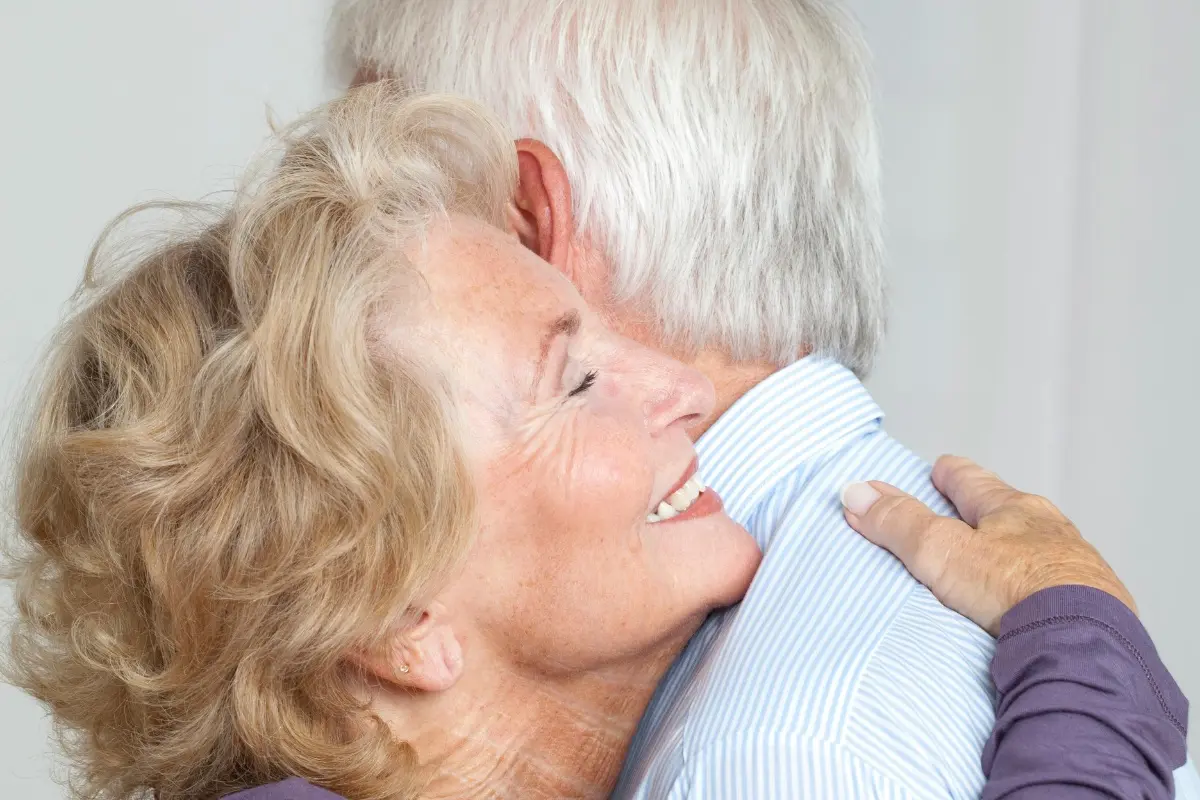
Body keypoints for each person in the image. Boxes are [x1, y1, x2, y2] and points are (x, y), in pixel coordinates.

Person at [330, 1, 1200, 796]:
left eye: (387, 204)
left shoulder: (772, 757)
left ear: (525, 221)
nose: (334, 262)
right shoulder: (936, 597)